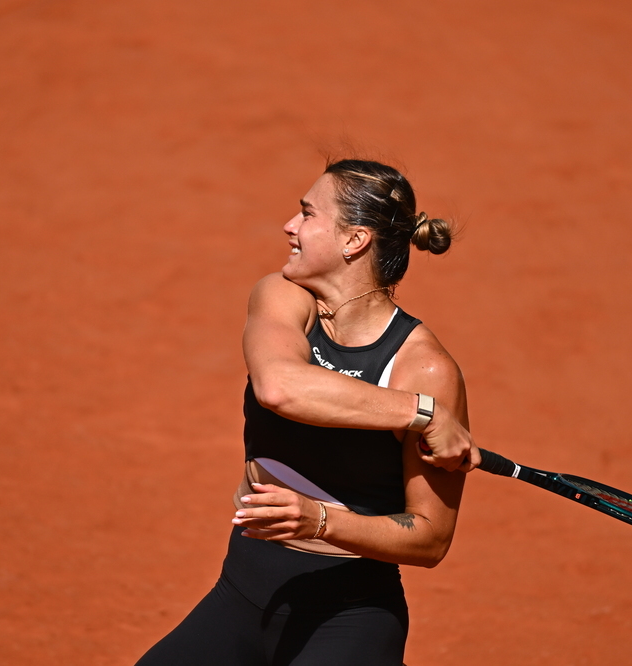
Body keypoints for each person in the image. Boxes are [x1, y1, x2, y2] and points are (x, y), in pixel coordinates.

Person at [136, 159, 478, 666]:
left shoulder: (425, 370)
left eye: (307, 214)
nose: (289, 226)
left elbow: (429, 539)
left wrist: (319, 521)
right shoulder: (282, 295)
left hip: (348, 622)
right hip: (241, 595)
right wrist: (423, 414)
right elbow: (279, 386)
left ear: (354, 241)